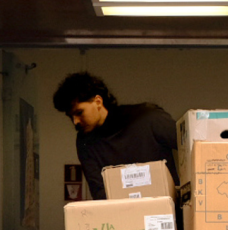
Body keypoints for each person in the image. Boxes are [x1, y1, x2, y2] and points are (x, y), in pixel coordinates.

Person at [53, 72, 179, 200]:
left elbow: (196, 151)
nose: (76, 122)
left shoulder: (148, 118)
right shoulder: (85, 142)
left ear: (98, 101)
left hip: (169, 212)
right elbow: (99, 192)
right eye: (70, 116)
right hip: (122, 215)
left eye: (79, 112)